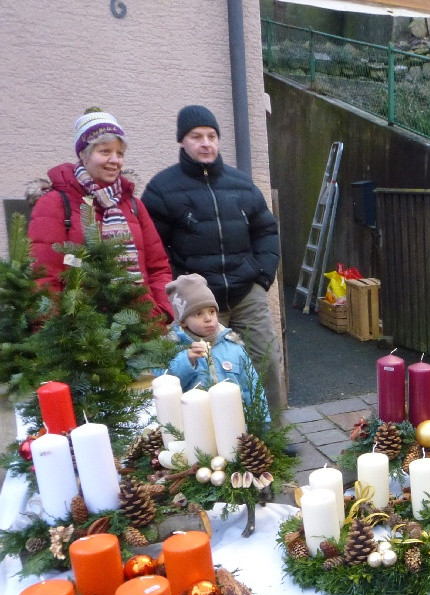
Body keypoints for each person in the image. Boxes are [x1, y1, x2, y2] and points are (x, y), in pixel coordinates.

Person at [142, 105, 286, 422]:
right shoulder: (161, 189)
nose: (205, 143)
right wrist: (176, 289)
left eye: (211, 136)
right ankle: (212, 439)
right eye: (196, 137)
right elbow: (152, 247)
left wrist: (261, 276)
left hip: (245, 291)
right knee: (205, 369)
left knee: (265, 360)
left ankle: (271, 431)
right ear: (183, 141)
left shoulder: (242, 184)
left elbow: (265, 229)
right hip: (196, 302)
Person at [27, 109, 174, 323]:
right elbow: (43, 275)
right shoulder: (55, 203)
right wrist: (58, 334)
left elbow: (158, 267)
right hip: (83, 335)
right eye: (105, 151)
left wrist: (160, 314)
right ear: (83, 154)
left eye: (120, 153)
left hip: (139, 330)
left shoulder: (133, 205)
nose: (114, 160)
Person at [164, 273, 268, 417]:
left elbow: (252, 386)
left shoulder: (233, 346)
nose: (208, 319)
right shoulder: (172, 349)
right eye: (198, 314)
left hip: (234, 423)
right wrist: (186, 361)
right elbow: (166, 386)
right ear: (182, 321)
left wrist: (261, 421)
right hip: (194, 425)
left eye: (212, 311)